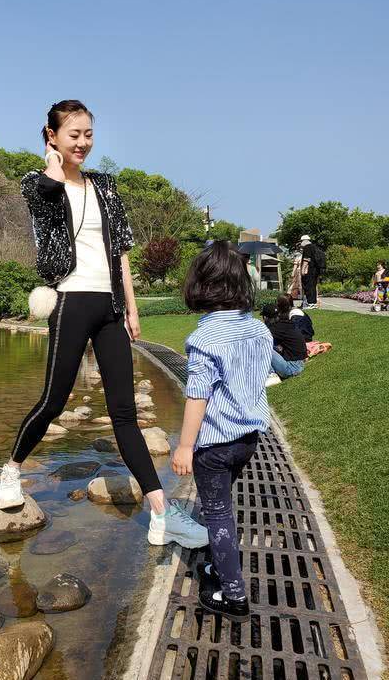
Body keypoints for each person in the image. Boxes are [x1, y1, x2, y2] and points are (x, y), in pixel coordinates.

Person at [0, 100, 208, 549]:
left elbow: (122, 253)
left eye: (89, 134)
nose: (83, 143)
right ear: (51, 135)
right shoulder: (36, 182)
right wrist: (54, 163)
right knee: (53, 401)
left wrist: (132, 308)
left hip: (109, 306)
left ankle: (160, 514)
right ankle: (12, 470)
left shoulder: (106, 187)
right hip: (70, 302)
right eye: (73, 134)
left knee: (125, 414)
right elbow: (48, 196)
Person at [171, 241, 273, 622]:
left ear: (201, 285)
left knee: (217, 516)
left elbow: (197, 395)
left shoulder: (204, 339)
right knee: (223, 507)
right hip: (249, 440)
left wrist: (184, 446)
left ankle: (233, 596)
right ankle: (219, 567)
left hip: (214, 445)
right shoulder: (258, 330)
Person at [262, 296, 307, 378]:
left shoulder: (274, 329)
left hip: (291, 368)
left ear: (265, 317)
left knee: (262, 346)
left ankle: (271, 374)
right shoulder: (284, 324)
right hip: (300, 362)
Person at [300, 235, 325, 309]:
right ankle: (313, 303)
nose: (301, 243)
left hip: (309, 270)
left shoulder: (307, 247)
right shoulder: (315, 247)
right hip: (316, 270)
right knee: (313, 286)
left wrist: (302, 270)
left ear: (304, 241)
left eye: (301, 241)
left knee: (308, 286)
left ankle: (310, 303)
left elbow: (306, 260)